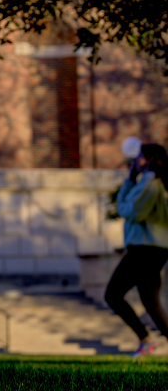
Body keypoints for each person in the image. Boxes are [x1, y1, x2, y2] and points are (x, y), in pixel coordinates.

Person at [109, 142, 168, 358]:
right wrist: (131, 181)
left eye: (141, 158)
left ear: (154, 160)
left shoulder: (151, 184)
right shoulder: (151, 183)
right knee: (151, 303)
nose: (136, 162)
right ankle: (146, 341)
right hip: (152, 248)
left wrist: (128, 181)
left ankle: (146, 339)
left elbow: (131, 211)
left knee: (113, 295)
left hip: (145, 250)